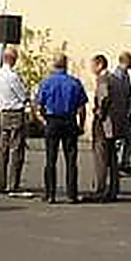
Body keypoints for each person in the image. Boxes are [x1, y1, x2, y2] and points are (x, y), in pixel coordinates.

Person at [35, 55, 87, 204]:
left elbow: (38, 106)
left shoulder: (46, 83)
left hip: (52, 121)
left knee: (50, 159)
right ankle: (72, 194)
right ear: (66, 65)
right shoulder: (74, 83)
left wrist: (44, 122)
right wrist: (81, 125)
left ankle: (50, 194)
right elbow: (81, 107)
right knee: (71, 159)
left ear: (53, 65)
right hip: (69, 121)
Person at [87, 54, 130, 202]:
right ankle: (113, 189)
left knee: (101, 157)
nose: (91, 68)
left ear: (99, 64)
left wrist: (99, 112)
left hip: (105, 123)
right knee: (112, 158)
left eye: (92, 65)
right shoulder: (117, 80)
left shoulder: (103, 79)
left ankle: (101, 189)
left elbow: (104, 98)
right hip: (116, 124)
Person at [0, 46, 30, 196]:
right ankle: (13, 184)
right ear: (13, 59)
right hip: (15, 112)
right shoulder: (13, 76)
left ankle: (0, 182)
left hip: (4, 112)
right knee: (16, 149)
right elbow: (23, 95)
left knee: (3, 149)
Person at [113, 52, 131, 176]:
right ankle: (116, 163)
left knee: (129, 138)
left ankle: (124, 162)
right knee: (121, 139)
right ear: (126, 61)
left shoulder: (125, 75)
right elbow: (120, 95)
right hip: (121, 113)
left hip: (126, 113)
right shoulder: (118, 76)